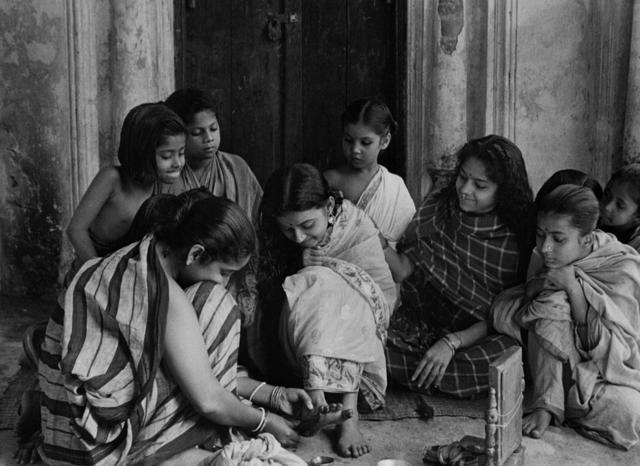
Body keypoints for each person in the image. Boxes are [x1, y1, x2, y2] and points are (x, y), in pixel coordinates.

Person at [37, 193, 350, 465]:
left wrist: (272, 395)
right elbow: (207, 399)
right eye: (224, 272)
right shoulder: (166, 292)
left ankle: (215, 429)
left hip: (59, 436)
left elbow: (176, 367)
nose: (224, 282)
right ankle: (178, 447)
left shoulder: (138, 256)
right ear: (196, 253)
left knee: (204, 335)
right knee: (216, 303)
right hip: (99, 450)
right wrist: (264, 421)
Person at [251, 163, 396, 458]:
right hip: (294, 343)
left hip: (357, 336)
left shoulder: (356, 225)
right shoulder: (271, 232)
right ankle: (316, 403)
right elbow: (262, 293)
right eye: (288, 228)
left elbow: (380, 292)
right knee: (315, 282)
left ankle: (348, 415)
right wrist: (298, 266)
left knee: (340, 291)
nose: (298, 237)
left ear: (329, 206)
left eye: (307, 226)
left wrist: (333, 277)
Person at [384, 134, 534, 398]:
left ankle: (413, 373)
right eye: (462, 177)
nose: (465, 189)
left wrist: (451, 342)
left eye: (480, 186)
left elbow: (501, 316)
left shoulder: (514, 239)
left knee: (509, 355)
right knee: (371, 338)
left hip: (473, 337)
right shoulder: (439, 207)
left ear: (503, 190)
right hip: (418, 322)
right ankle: (421, 372)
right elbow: (405, 267)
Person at [493, 185, 640, 449]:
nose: (546, 248)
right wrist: (538, 287)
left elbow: (622, 350)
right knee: (552, 302)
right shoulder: (544, 255)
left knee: (630, 410)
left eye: (558, 239)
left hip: (603, 368)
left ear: (587, 239)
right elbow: (529, 312)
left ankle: (566, 402)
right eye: (540, 235)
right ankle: (548, 404)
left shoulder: (620, 265)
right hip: (556, 364)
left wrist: (573, 288)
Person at [67, 102, 186, 263]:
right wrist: (99, 271)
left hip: (135, 272)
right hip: (94, 269)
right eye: (166, 156)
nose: (178, 163)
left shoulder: (166, 187)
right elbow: (76, 230)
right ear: (142, 153)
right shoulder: (112, 179)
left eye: (182, 153)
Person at [324, 98, 416, 250]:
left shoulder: (395, 186)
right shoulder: (330, 180)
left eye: (365, 143)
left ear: (385, 141)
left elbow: (408, 242)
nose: (355, 149)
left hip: (386, 262)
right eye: (348, 140)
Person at [162, 87, 263, 224]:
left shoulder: (236, 167)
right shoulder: (168, 173)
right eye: (197, 133)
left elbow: (258, 218)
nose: (209, 138)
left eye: (213, 128)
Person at [600, 163, 640, 252]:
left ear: (638, 216)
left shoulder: (635, 249)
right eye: (607, 195)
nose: (607, 207)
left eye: (619, 205)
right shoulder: (599, 223)